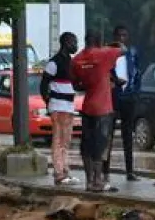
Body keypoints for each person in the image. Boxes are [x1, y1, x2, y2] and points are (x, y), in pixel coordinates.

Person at [72, 32, 122, 193]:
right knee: (100, 146)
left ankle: (88, 181)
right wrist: (111, 43)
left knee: (86, 145)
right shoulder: (104, 54)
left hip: (87, 107)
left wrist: (91, 83)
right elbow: (124, 49)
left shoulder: (77, 59)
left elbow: (77, 86)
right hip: (103, 108)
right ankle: (98, 181)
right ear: (99, 42)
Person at [40, 33, 80, 185]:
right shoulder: (54, 63)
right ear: (66, 43)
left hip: (68, 107)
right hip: (58, 106)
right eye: (73, 42)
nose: (75, 46)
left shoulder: (71, 62)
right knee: (58, 140)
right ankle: (58, 173)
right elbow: (44, 84)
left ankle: (65, 171)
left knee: (66, 140)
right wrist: (48, 102)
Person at [106, 24, 141, 182]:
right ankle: (105, 170)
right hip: (112, 97)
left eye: (124, 35)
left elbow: (137, 72)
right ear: (114, 37)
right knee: (108, 135)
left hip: (128, 96)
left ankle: (130, 171)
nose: (121, 39)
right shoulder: (107, 53)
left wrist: (135, 92)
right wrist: (113, 80)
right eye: (119, 35)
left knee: (128, 134)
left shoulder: (131, 52)